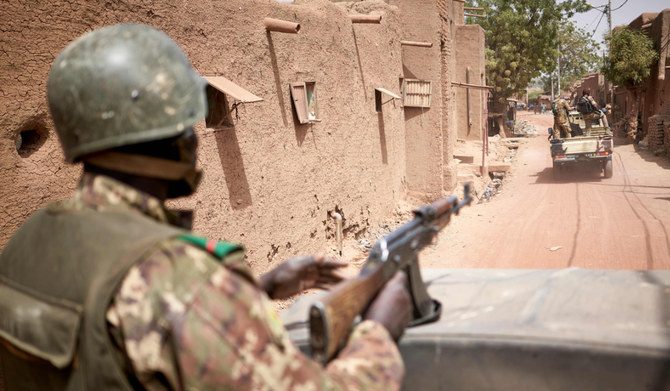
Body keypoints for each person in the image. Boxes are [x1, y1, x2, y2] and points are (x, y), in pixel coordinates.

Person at [0, 24, 411, 390]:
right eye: (187, 120)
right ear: (168, 134)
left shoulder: (27, 242)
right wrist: (378, 332)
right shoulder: (178, 279)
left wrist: (255, 291)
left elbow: (127, 338)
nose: (195, 137)